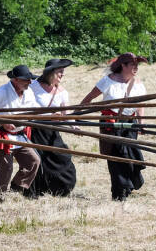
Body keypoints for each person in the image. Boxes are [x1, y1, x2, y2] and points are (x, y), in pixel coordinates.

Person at [79, 53, 149, 201]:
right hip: (111, 124)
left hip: (130, 125)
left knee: (131, 156)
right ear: (123, 66)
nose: (136, 68)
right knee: (116, 158)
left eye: (137, 65)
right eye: (132, 65)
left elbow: (140, 105)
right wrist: (77, 114)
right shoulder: (108, 81)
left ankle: (127, 187)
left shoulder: (137, 83)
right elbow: (90, 97)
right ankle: (119, 193)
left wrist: (141, 123)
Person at [0, 65, 41, 197]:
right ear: (16, 80)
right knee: (6, 168)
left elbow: (35, 110)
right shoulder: (1, 92)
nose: (30, 82)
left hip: (20, 135)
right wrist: (3, 121)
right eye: (26, 80)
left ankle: (16, 189)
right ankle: (0, 197)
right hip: (2, 136)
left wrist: (52, 115)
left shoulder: (29, 92)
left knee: (33, 161)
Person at [29, 58, 77, 196]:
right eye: (60, 72)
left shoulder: (62, 92)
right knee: (39, 161)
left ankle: (60, 188)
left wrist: (74, 127)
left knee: (62, 157)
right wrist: (49, 114)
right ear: (50, 72)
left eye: (63, 72)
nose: (62, 74)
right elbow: (27, 106)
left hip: (52, 131)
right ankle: (36, 190)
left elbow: (66, 114)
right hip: (35, 129)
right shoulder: (33, 86)